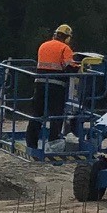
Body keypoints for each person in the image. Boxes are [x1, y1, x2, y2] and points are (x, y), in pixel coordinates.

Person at [25, 24, 80, 152]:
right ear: (67, 38)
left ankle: (31, 143)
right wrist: (80, 67)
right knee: (56, 115)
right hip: (56, 86)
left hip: (39, 84)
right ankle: (53, 143)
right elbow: (69, 67)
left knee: (37, 114)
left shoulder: (43, 45)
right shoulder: (65, 48)